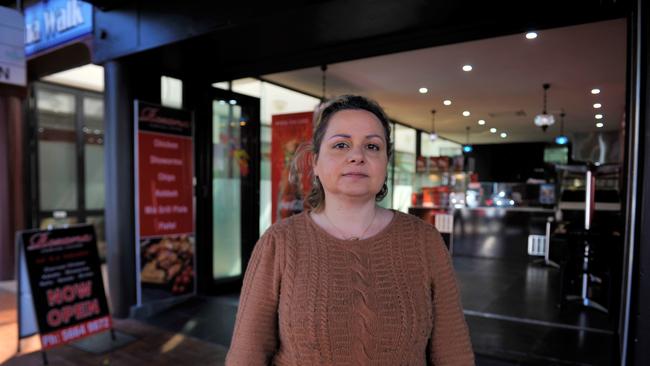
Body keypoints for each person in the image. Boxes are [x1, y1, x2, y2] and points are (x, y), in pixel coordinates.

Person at [226, 95, 474, 365]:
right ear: (316, 163)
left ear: (385, 164)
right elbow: (246, 355)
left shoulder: (425, 241)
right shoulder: (280, 242)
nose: (357, 156)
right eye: (341, 145)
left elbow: (454, 352)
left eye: (372, 146)